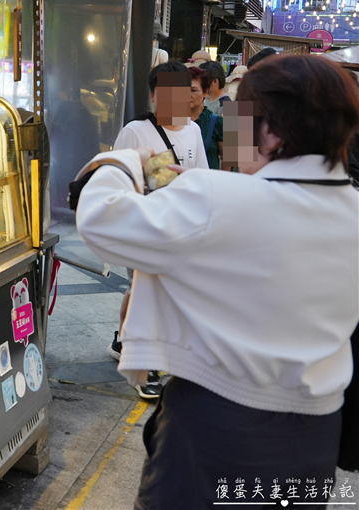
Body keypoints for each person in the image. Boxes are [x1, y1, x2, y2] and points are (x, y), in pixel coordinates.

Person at [74, 55, 359, 508]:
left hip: (218, 428)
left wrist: (124, 161)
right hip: (317, 433)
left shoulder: (216, 198)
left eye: (240, 118)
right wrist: (201, 192)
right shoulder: (350, 208)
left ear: (271, 132)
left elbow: (100, 221)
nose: (231, 131)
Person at [107, 62, 208, 399]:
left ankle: (124, 342)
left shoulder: (193, 130)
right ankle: (144, 366)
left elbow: (201, 176)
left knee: (149, 290)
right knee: (148, 291)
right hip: (145, 225)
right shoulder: (136, 131)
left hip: (181, 225)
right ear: (153, 96)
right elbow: (117, 178)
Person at [189, 66, 223, 169]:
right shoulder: (171, 122)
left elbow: (229, 159)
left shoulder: (216, 121)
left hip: (209, 178)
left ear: (205, 92)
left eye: (193, 90)